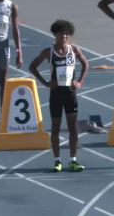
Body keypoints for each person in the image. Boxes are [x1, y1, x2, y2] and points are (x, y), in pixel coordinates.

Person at [29, 20, 88, 172]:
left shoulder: (74, 50)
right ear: (55, 34)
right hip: (56, 94)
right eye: (61, 33)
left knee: (73, 128)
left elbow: (86, 64)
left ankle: (73, 160)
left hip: (70, 94)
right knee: (55, 128)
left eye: (67, 33)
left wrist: (80, 82)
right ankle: (57, 161)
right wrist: (46, 83)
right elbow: (32, 67)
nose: (64, 36)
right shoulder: (48, 52)